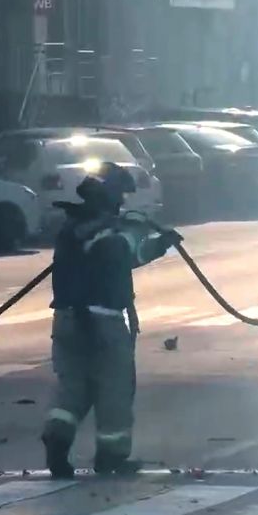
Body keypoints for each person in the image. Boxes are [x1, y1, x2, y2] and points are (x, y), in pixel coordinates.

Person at [41, 162, 181, 479]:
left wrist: (155, 242)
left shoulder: (73, 226)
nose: (122, 203)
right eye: (120, 197)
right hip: (103, 321)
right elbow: (123, 253)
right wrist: (143, 233)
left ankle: (57, 439)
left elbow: (119, 259)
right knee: (114, 389)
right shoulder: (106, 230)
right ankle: (111, 456)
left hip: (66, 320)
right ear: (110, 196)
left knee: (73, 386)